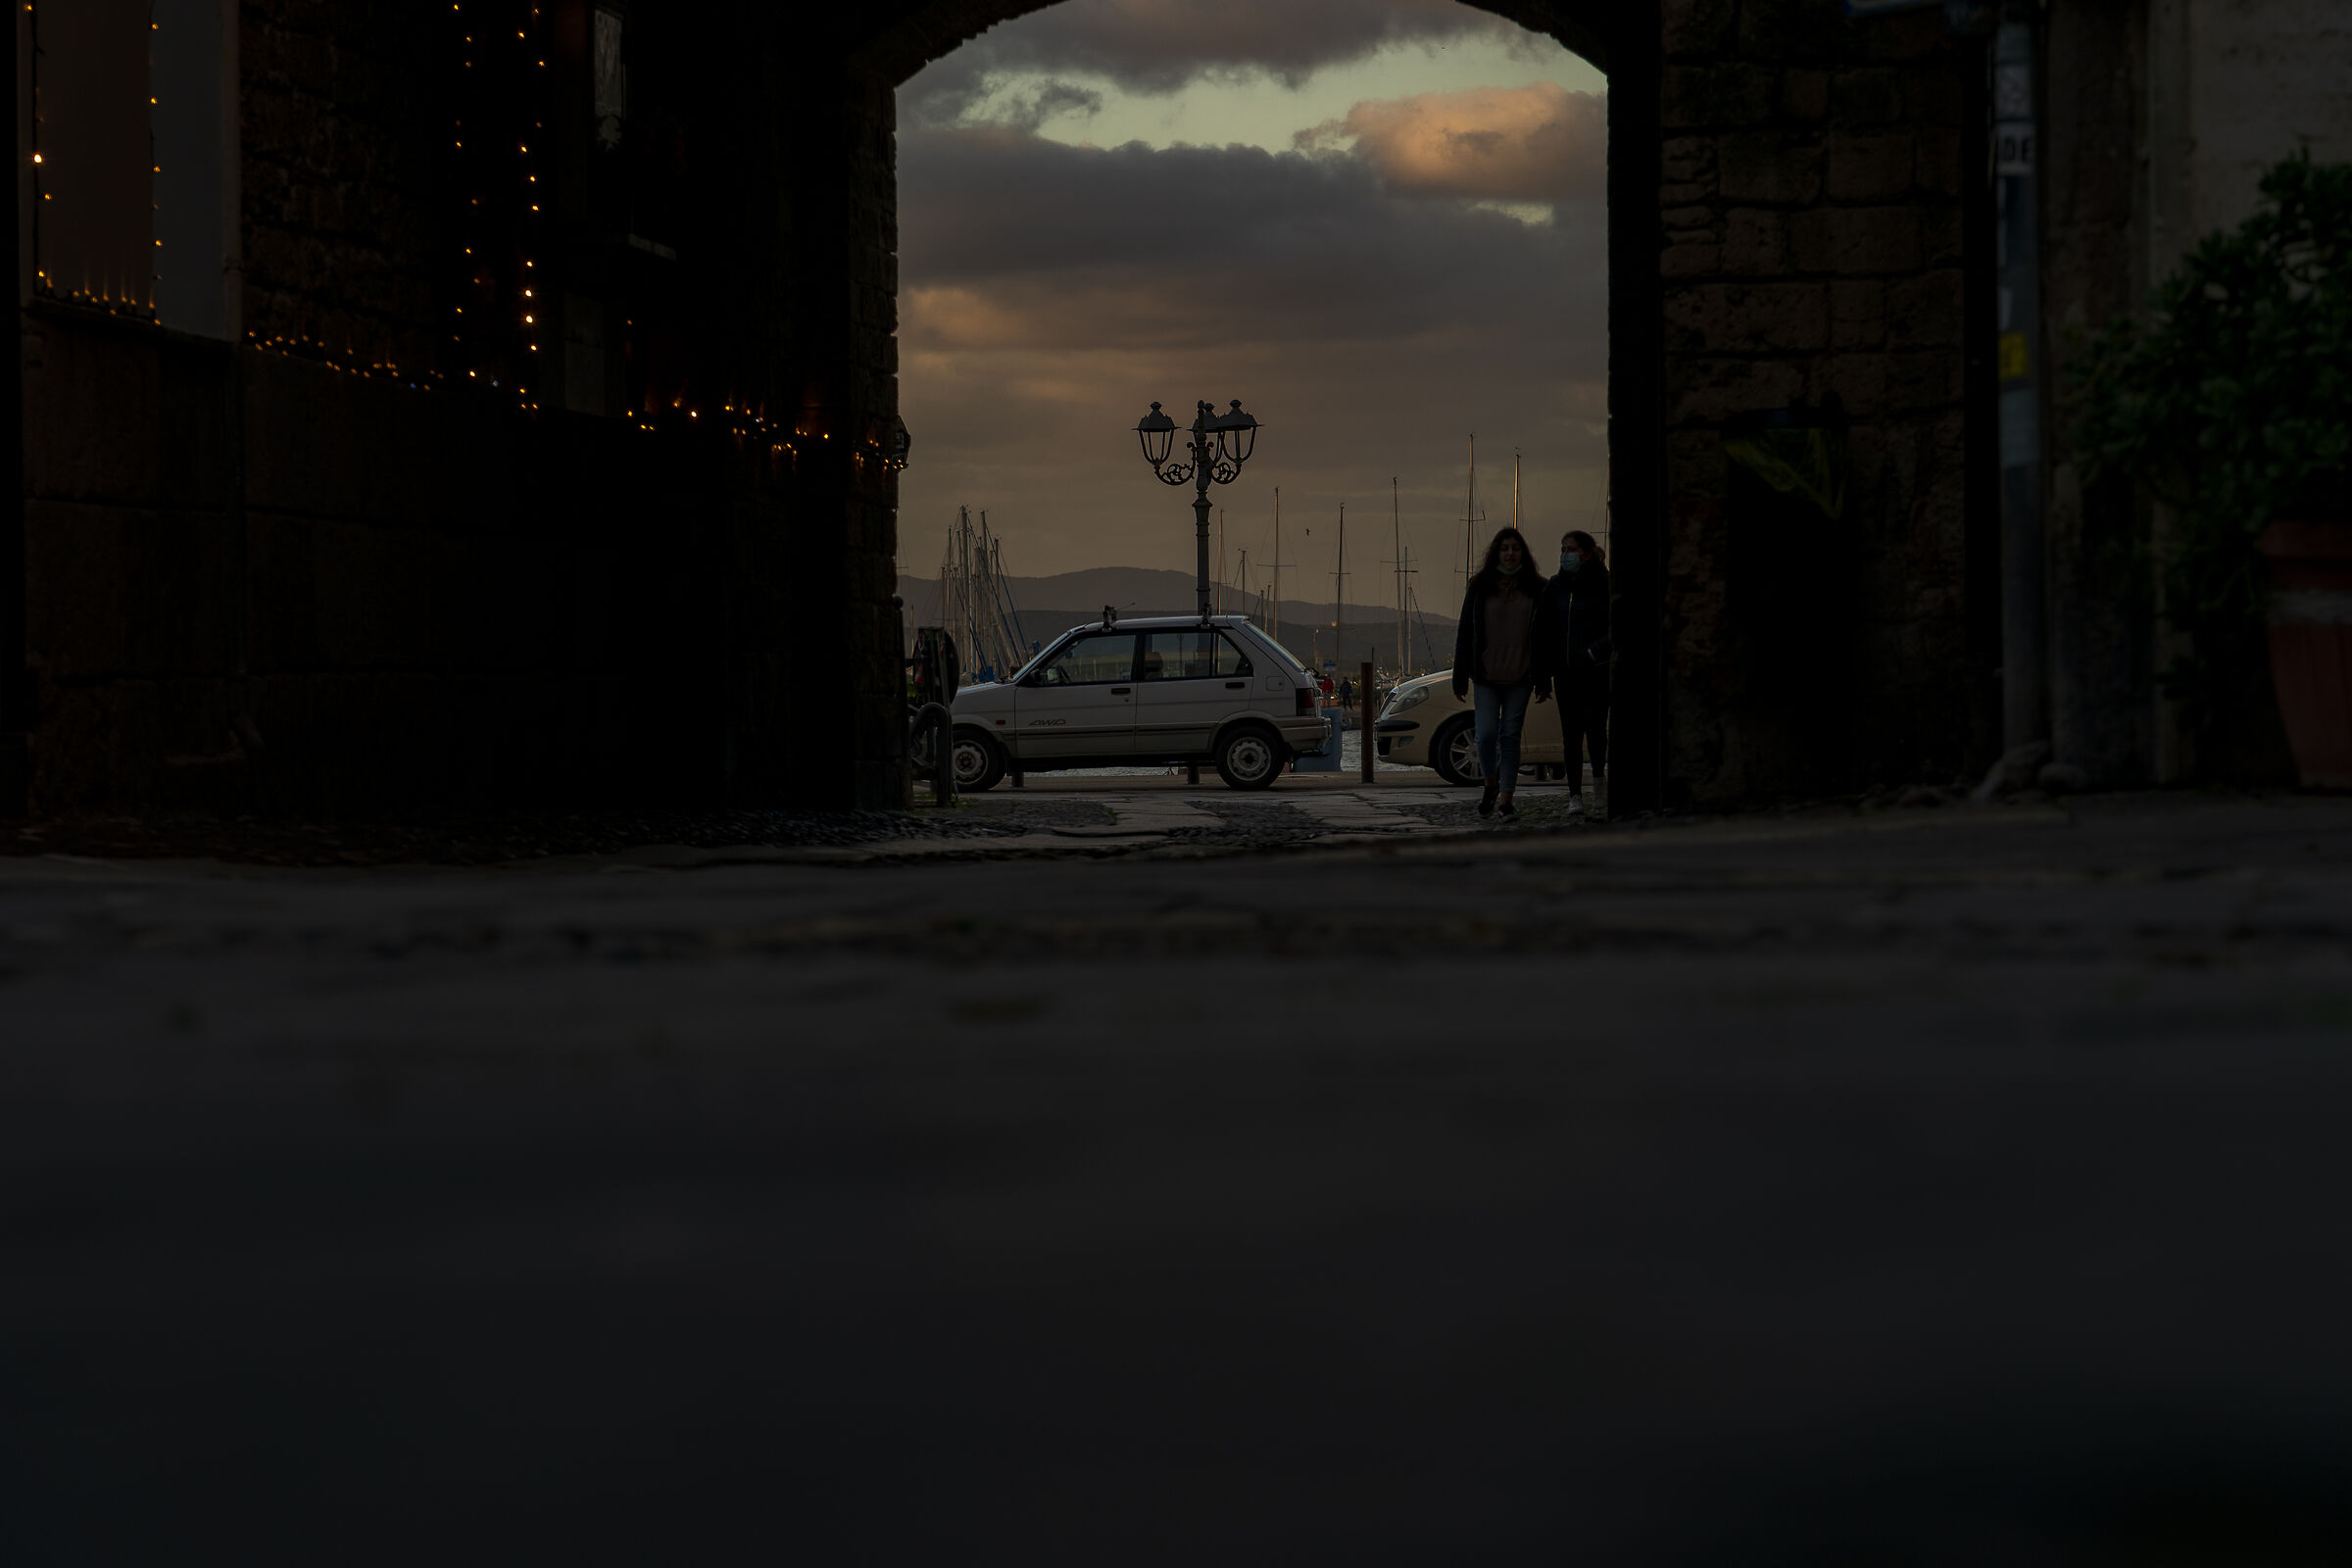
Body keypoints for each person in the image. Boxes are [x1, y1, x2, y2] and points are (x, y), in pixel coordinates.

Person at [1451, 526, 1555, 819]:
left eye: (1515, 548)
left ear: (1523, 553)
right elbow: (1464, 633)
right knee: (1484, 735)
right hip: (1486, 676)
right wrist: (1460, 675)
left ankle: (1507, 800)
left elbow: (1545, 639)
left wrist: (1543, 680)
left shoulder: (1538, 589)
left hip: (1521, 678)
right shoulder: (1479, 588)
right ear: (1496, 552)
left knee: (1510, 736)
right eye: (1505, 548)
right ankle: (1490, 783)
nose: (1510, 553)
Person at [1544, 529, 1611, 812]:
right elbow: (1543, 629)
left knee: (1595, 731)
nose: (1564, 555)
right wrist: (1545, 670)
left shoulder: (1603, 584)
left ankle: (1598, 783)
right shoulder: (1555, 587)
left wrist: (1594, 652)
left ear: (1585, 553)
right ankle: (1574, 796)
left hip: (1595, 671)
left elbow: (1616, 625)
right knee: (1570, 735)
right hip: (1566, 672)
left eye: (1569, 549)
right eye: (1562, 549)